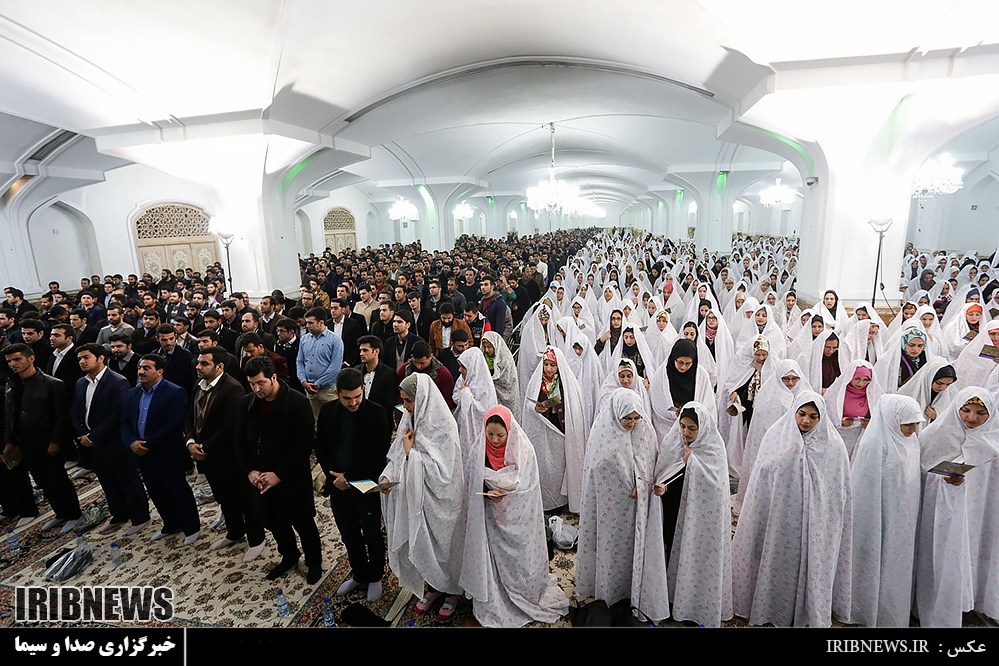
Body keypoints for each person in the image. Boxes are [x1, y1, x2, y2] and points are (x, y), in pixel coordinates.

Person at [732, 392, 853, 627]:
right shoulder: (777, 436)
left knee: (810, 564)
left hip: (816, 523)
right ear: (794, 412)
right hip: (780, 519)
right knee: (777, 563)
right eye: (802, 414)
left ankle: (809, 609)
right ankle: (770, 608)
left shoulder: (833, 445)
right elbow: (763, 476)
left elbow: (838, 491)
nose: (806, 421)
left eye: (813, 417)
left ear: (821, 417)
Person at [459, 405, 569, 627]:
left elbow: (528, 488)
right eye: (490, 434)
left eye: (500, 435)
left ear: (509, 431)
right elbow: (471, 484)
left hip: (519, 520)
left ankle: (523, 592)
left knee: (519, 562)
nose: (494, 440)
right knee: (493, 562)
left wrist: (508, 496)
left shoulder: (524, 449)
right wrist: (487, 492)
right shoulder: (478, 450)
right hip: (490, 521)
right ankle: (493, 598)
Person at [576, 388, 670, 623]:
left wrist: (643, 483)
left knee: (634, 549)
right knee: (611, 550)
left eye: (636, 418)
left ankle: (632, 591)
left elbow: (652, 461)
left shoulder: (644, 430)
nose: (632, 423)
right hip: (611, 510)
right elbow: (597, 468)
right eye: (627, 419)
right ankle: (610, 593)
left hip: (638, 507)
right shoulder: (602, 432)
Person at [380, 373, 465, 621]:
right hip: (414, 497)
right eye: (403, 400)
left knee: (444, 548)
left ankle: (453, 592)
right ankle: (434, 587)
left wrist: (412, 455)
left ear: (423, 398)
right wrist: (387, 476)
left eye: (409, 401)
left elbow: (445, 473)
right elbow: (396, 455)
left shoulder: (443, 426)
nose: (405, 406)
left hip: (441, 502)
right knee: (423, 547)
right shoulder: (409, 419)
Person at [915, 388, 999, 627]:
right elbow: (921, 473)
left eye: (981, 413)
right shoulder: (936, 435)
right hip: (943, 516)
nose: (972, 418)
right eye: (966, 410)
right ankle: (942, 609)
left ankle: (975, 604)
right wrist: (946, 480)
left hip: (981, 518)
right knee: (944, 560)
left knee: (977, 556)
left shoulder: (994, 439)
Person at [236, 355, 324, 583]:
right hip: (261, 478)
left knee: (303, 523)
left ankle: (314, 561)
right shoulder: (247, 403)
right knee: (275, 522)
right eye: (252, 384)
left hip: (291, 477)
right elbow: (240, 441)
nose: (256, 389)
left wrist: (279, 475)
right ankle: (289, 556)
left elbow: (303, 445)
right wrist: (250, 472)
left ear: (273, 378)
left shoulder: (297, 403)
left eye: (261, 383)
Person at [316, 368, 392, 602]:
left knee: (372, 534)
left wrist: (348, 478)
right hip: (337, 485)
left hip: (365, 485)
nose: (353, 402)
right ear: (337, 393)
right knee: (349, 535)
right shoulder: (328, 411)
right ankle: (359, 573)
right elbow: (321, 447)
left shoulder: (377, 413)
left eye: (358, 396)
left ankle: (376, 575)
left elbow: (378, 455)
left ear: (363, 390)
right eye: (347, 398)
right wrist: (335, 478)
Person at [849, 394, 923, 627]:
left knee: (896, 562)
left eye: (916, 423)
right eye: (908, 424)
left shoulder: (911, 441)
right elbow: (865, 490)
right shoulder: (874, 444)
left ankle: (892, 609)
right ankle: (865, 608)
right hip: (879, 515)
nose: (913, 429)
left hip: (903, 514)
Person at [185, 346, 265, 560]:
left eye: (204, 363)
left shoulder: (232, 389)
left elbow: (231, 426)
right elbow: (191, 417)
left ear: (219, 366)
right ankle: (235, 532)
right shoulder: (198, 385)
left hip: (230, 457)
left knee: (244, 499)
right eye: (198, 362)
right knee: (224, 497)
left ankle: (256, 539)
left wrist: (206, 446)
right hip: (208, 457)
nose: (198, 367)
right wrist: (191, 442)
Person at [660, 402, 733, 627]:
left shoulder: (713, 448)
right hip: (673, 509)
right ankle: (671, 598)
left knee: (696, 557)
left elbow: (716, 487)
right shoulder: (673, 442)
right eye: (682, 426)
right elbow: (664, 471)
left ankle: (696, 603)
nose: (686, 432)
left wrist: (691, 462)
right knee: (672, 550)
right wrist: (663, 485)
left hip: (701, 519)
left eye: (692, 428)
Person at [69, 343, 150, 535]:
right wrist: (82, 434)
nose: (82, 362)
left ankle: (140, 517)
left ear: (100, 358)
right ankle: (119, 514)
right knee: (107, 480)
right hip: (91, 443)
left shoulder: (117, 381)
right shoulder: (81, 383)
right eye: (79, 359)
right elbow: (75, 411)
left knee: (127, 479)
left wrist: (93, 436)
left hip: (114, 441)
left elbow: (117, 415)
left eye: (86, 357)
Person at [121, 354, 201, 544]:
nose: (141, 372)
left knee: (177, 490)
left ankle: (191, 527)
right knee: (156, 491)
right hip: (141, 454)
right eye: (140, 368)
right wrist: (132, 443)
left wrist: (147, 444)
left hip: (166, 452)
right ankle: (170, 524)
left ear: (160, 371)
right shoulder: (132, 394)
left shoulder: (174, 392)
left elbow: (173, 424)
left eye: (146, 368)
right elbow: (124, 422)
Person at [2, 344, 83, 531]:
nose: (13, 364)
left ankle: (74, 514)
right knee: (42, 482)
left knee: (58, 479)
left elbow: (61, 417)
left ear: (31, 358)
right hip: (25, 443)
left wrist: (56, 441)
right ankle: (60, 513)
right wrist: (9, 441)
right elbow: (10, 415)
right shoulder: (11, 384)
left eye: (17, 359)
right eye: (9, 361)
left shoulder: (52, 384)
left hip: (47, 441)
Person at [521, 346, 587, 513]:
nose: (549, 369)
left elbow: (574, 408)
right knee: (546, 468)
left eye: (552, 365)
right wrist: (534, 408)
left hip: (561, 431)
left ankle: (562, 501)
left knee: (560, 469)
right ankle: (546, 501)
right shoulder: (537, 383)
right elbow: (528, 404)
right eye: (546, 364)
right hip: (544, 432)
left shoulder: (566, 384)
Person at [297, 307, 344, 420]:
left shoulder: (335, 340)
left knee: (332, 420)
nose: (307, 326)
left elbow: (335, 367)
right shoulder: (304, 339)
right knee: (314, 420)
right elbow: (300, 362)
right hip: (309, 389)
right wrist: (303, 381)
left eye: (310, 323)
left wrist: (317, 384)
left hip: (328, 390)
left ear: (321, 322)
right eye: (307, 322)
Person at [481, 331, 520, 418]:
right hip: (488, 396)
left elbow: (507, 379)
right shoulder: (482, 359)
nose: (486, 350)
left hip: (505, 395)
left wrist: (491, 380)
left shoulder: (506, 359)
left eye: (489, 347)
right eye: (484, 347)